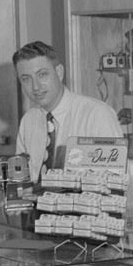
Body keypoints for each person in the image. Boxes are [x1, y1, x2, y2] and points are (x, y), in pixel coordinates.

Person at [12, 41, 121, 184]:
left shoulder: (97, 114)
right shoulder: (29, 120)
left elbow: (115, 182)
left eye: (42, 74)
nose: (35, 87)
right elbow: (21, 181)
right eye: (26, 79)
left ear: (59, 72)